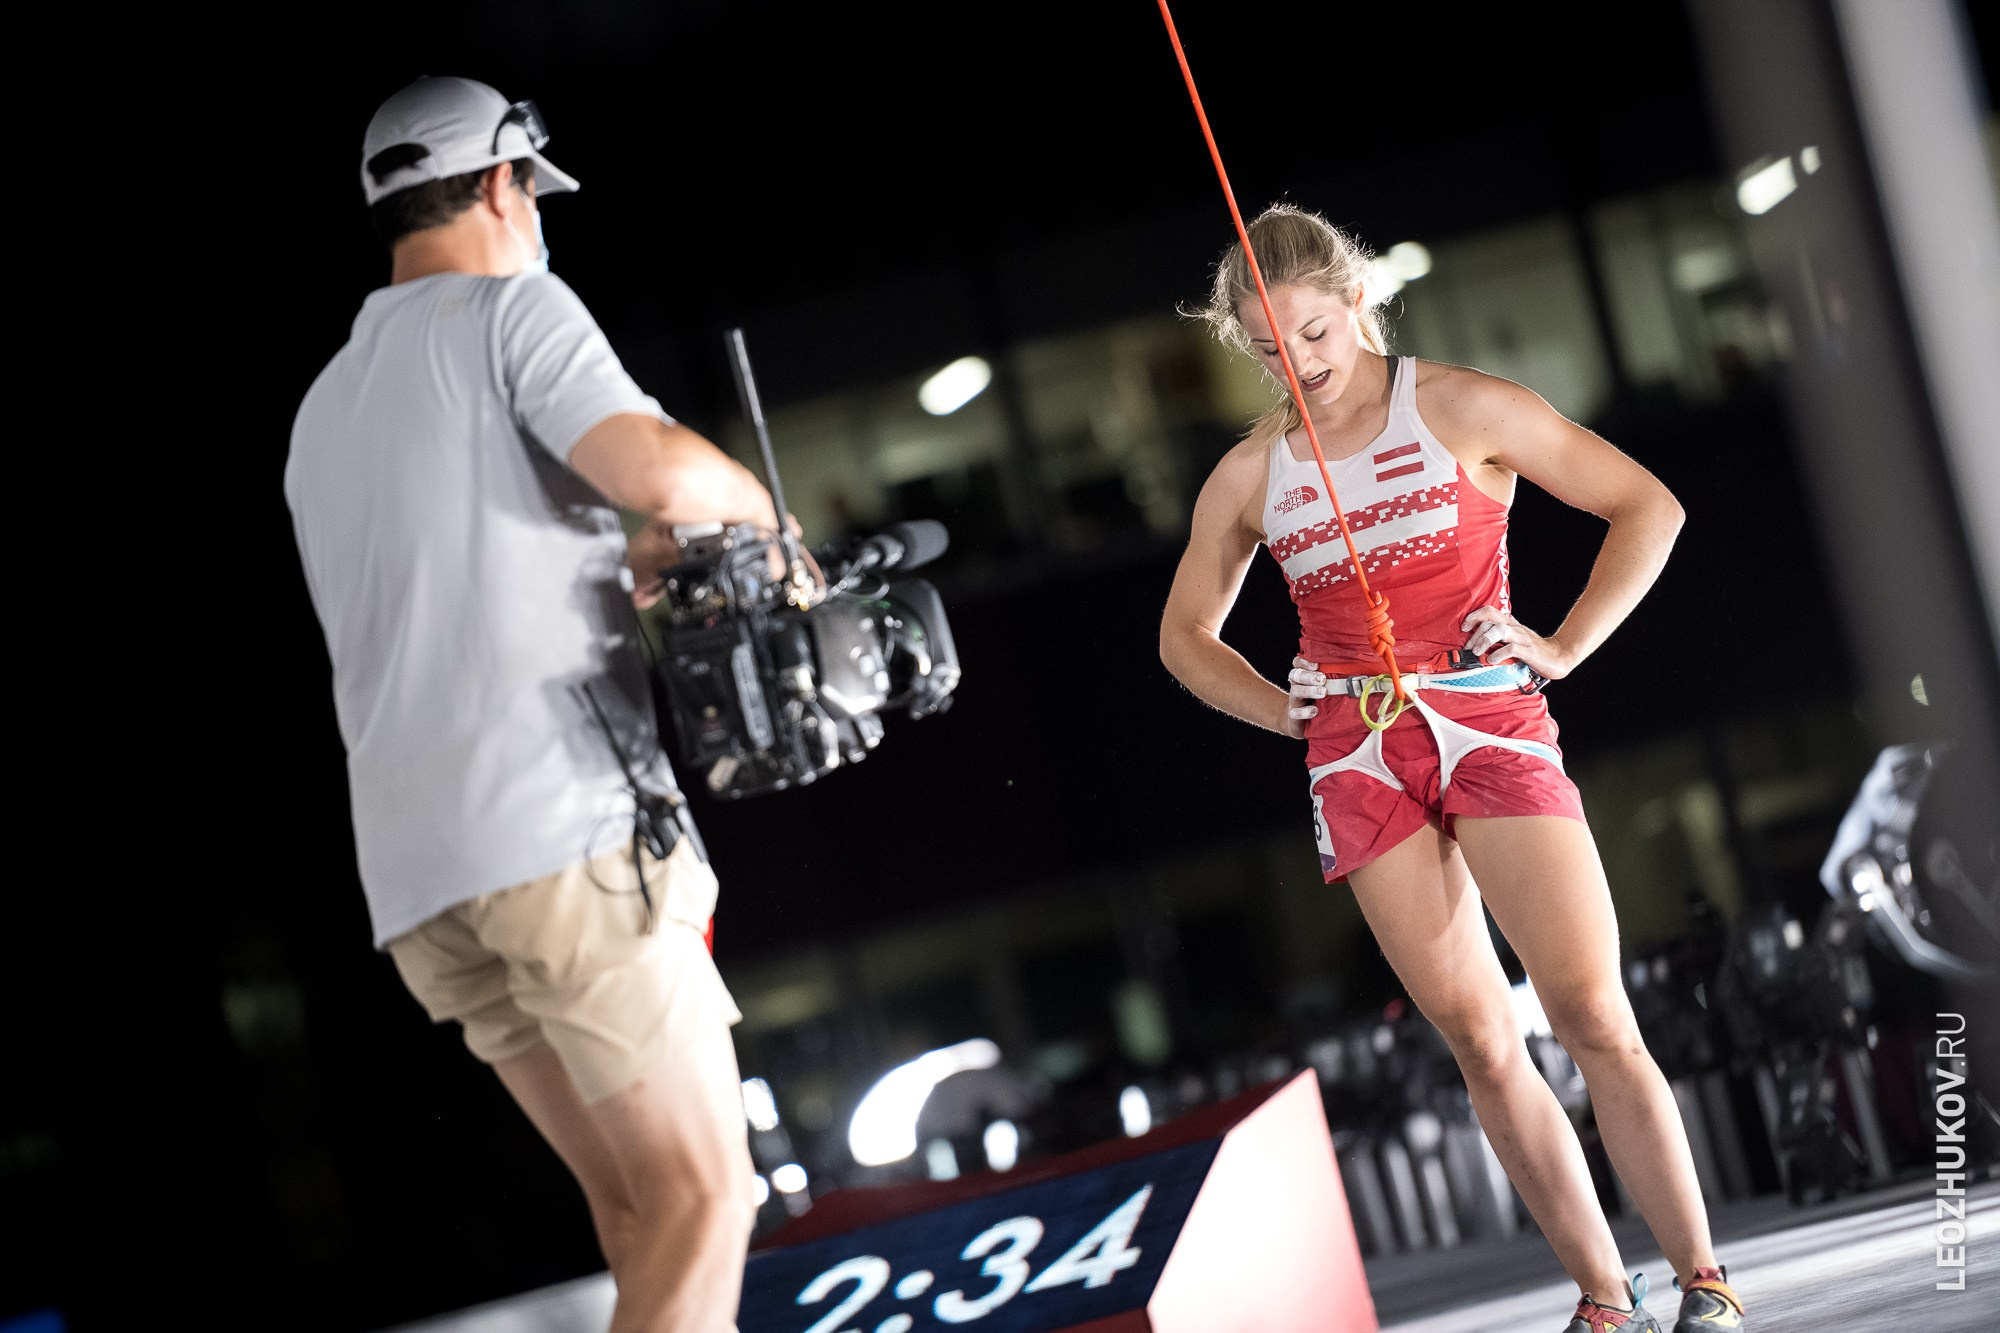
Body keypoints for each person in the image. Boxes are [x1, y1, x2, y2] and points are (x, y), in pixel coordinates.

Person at [1159, 205, 1745, 1333]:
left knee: (1587, 1010)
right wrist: (1281, 711)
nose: (1304, 363)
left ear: (1358, 301)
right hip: (1358, 756)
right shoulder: (1249, 473)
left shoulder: (1459, 406)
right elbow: (1184, 636)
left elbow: (1646, 506)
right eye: (1272, 347)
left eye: (1317, 333)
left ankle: (1702, 1280)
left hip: (1485, 722)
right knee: (1478, 1039)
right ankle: (1601, 1299)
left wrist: (1561, 643)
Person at [286, 76, 775, 1332]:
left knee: (636, 1213)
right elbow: (655, 465)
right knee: (706, 1201)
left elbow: (449, 604)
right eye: (534, 196)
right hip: (558, 835)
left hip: (422, 884)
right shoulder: (513, 309)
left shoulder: (323, 408)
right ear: (506, 185)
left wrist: (620, 569)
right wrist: (769, 516)